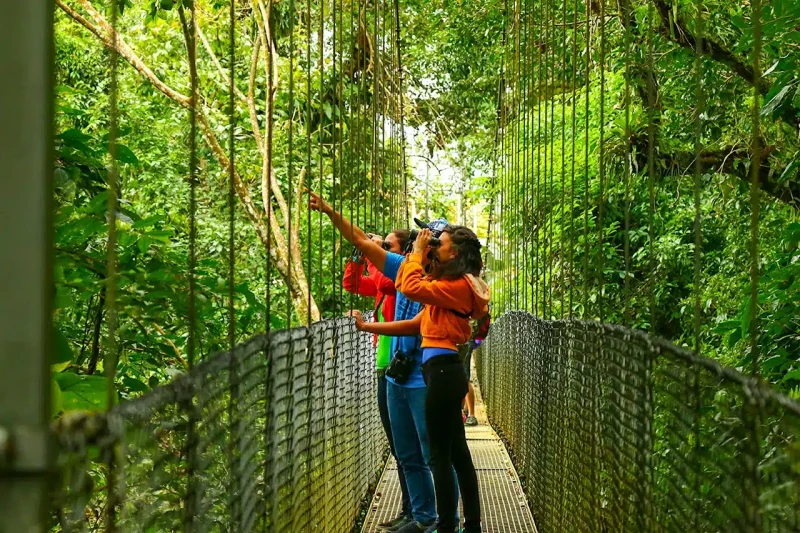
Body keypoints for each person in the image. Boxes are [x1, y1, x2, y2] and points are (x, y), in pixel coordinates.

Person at [309, 191, 439, 532]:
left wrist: (376, 254)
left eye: (398, 247)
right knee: (405, 451)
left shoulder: (435, 283)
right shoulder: (400, 271)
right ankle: (418, 516)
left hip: (423, 374)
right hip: (393, 370)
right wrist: (332, 214)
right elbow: (352, 282)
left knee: (431, 453)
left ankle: (439, 519)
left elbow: (392, 290)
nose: (411, 249)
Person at [395, 226, 489, 533]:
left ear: (456, 252)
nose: (437, 245)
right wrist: (422, 254)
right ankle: (470, 525)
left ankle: (447, 525)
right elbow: (404, 283)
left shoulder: (458, 286)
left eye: (443, 243)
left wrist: (419, 252)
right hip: (445, 372)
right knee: (458, 454)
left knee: (439, 456)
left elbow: (409, 287)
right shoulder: (455, 284)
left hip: (443, 372)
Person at [342, 231, 414, 528]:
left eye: (388, 246)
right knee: (399, 446)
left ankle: (417, 512)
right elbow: (352, 283)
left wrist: (371, 250)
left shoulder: (400, 277)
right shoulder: (384, 284)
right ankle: (410, 509)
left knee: (406, 447)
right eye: (381, 246)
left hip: (398, 367)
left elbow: (385, 280)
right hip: (384, 365)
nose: (382, 250)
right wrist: (359, 255)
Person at [460, 312, 490, 427]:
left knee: (464, 377)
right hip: (470, 337)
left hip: (465, 338)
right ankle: (466, 411)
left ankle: (471, 415)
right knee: (463, 376)